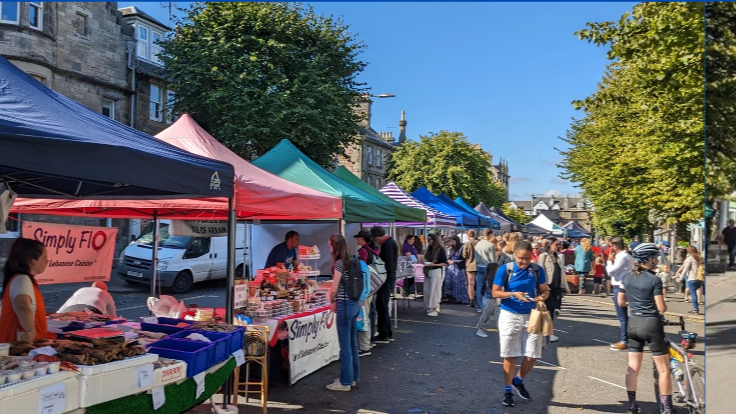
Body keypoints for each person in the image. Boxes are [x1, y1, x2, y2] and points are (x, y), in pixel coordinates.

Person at [617, 243, 675, 414]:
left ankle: (632, 405)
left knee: (632, 367)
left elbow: (621, 302)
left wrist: (635, 303)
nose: (657, 260)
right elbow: (661, 308)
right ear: (648, 259)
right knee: (663, 369)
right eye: (655, 258)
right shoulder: (654, 279)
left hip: (633, 323)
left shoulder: (626, 278)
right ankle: (668, 408)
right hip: (651, 324)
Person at [492, 241, 550, 407]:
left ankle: (518, 380)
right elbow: (495, 291)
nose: (523, 262)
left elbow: (545, 289)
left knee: (532, 354)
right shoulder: (506, 269)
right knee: (511, 354)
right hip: (510, 314)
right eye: (520, 258)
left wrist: (542, 296)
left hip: (532, 315)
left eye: (526, 258)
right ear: (514, 255)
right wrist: (512, 294)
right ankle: (507, 389)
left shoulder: (537, 270)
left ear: (531, 256)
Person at [0, 238, 56, 343]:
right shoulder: (22, 279)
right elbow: (22, 306)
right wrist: (30, 329)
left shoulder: (20, 279)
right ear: (32, 261)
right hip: (19, 344)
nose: (47, 261)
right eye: (44, 258)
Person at [326, 234, 360, 391]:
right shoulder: (353, 259)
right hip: (354, 304)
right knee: (353, 343)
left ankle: (345, 381)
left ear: (335, 246)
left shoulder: (339, 264)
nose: (329, 249)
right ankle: (352, 377)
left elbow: (334, 288)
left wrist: (331, 300)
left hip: (344, 306)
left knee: (345, 345)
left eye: (330, 246)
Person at [536, 237, 569, 343]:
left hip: (557, 287)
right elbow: (539, 271)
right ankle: (547, 333)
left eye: (559, 244)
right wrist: (543, 285)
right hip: (547, 287)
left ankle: (547, 332)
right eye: (556, 244)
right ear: (550, 245)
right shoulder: (543, 256)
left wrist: (566, 286)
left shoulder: (559, 257)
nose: (558, 246)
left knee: (552, 311)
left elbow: (562, 272)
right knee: (548, 309)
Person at [354, 230, 381, 356]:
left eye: (358, 238)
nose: (356, 240)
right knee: (370, 314)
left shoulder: (363, 251)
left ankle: (364, 346)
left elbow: (361, 270)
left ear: (362, 238)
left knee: (363, 316)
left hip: (364, 288)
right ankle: (370, 340)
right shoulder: (373, 249)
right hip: (372, 286)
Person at [370, 226, 398, 343]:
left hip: (386, 278)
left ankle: (384, 334)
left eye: (376, 239)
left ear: (378, 237)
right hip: (389, 277)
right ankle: (387, 332)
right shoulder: (391, 242)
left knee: (381, 305)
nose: (376, 241)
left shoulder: (387, 245)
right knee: (383, 305)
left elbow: (387, 263)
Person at [606, 236, 634, 351]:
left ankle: (624, 340)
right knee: (623, 315)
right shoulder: (625, 256)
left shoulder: (622, 257)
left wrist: (609, 260)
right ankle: (626, 339)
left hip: (620, 286)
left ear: (615, 246)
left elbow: (611, 272)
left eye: (611, 246)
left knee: (622, 316)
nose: (610, 249)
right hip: (622, 285)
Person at [423, 234, 448, 317]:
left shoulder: (440, 250)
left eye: (429, 239)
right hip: (428, 271)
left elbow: (445, 263)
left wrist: (434, 264)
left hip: (436, 271)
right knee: (426, 290)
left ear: (434, 240)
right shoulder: (429, 249)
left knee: (434, 291)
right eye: (427, 240)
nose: (428, 241)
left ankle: (434, 308)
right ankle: (429, 306)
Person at [675, 246, 704, 314]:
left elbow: (685, 270)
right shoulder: (701, 258)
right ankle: (696, 308)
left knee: (693, 294)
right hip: (700, 278)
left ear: (688, 252)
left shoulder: (689, 259)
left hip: (692, 278)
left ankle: (695, 310)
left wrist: (680, 278)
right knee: (696, 292)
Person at [474, 230, 497, 311]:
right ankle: (487, 306)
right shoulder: (490, 245)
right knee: (488, 287)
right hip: (488, 267)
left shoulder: (477, 244)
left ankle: (480, 306)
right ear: (490, 234)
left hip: (479, 266)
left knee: (479, 286)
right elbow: (493, 260)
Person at [442, 236, 469, 304]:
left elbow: (464, 259)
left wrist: (455, 261)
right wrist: (448, 260)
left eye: (453, 241)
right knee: (449, 282)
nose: (452, 243)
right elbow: (449, 257)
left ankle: (460, 298)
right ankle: (451, 296)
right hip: (451, 267)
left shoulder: (461, 248)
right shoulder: (451, 249)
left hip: (458, 268)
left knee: (458, 283)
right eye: (451, 241)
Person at [461, 230, 478, 308]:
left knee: (470, 283)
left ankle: (471, 300)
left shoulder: (467, 244)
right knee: (479, 283)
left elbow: (464, 255)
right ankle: (479, 299)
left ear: (468, 236)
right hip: (479, 264)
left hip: (470, 265)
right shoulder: (479, 243)